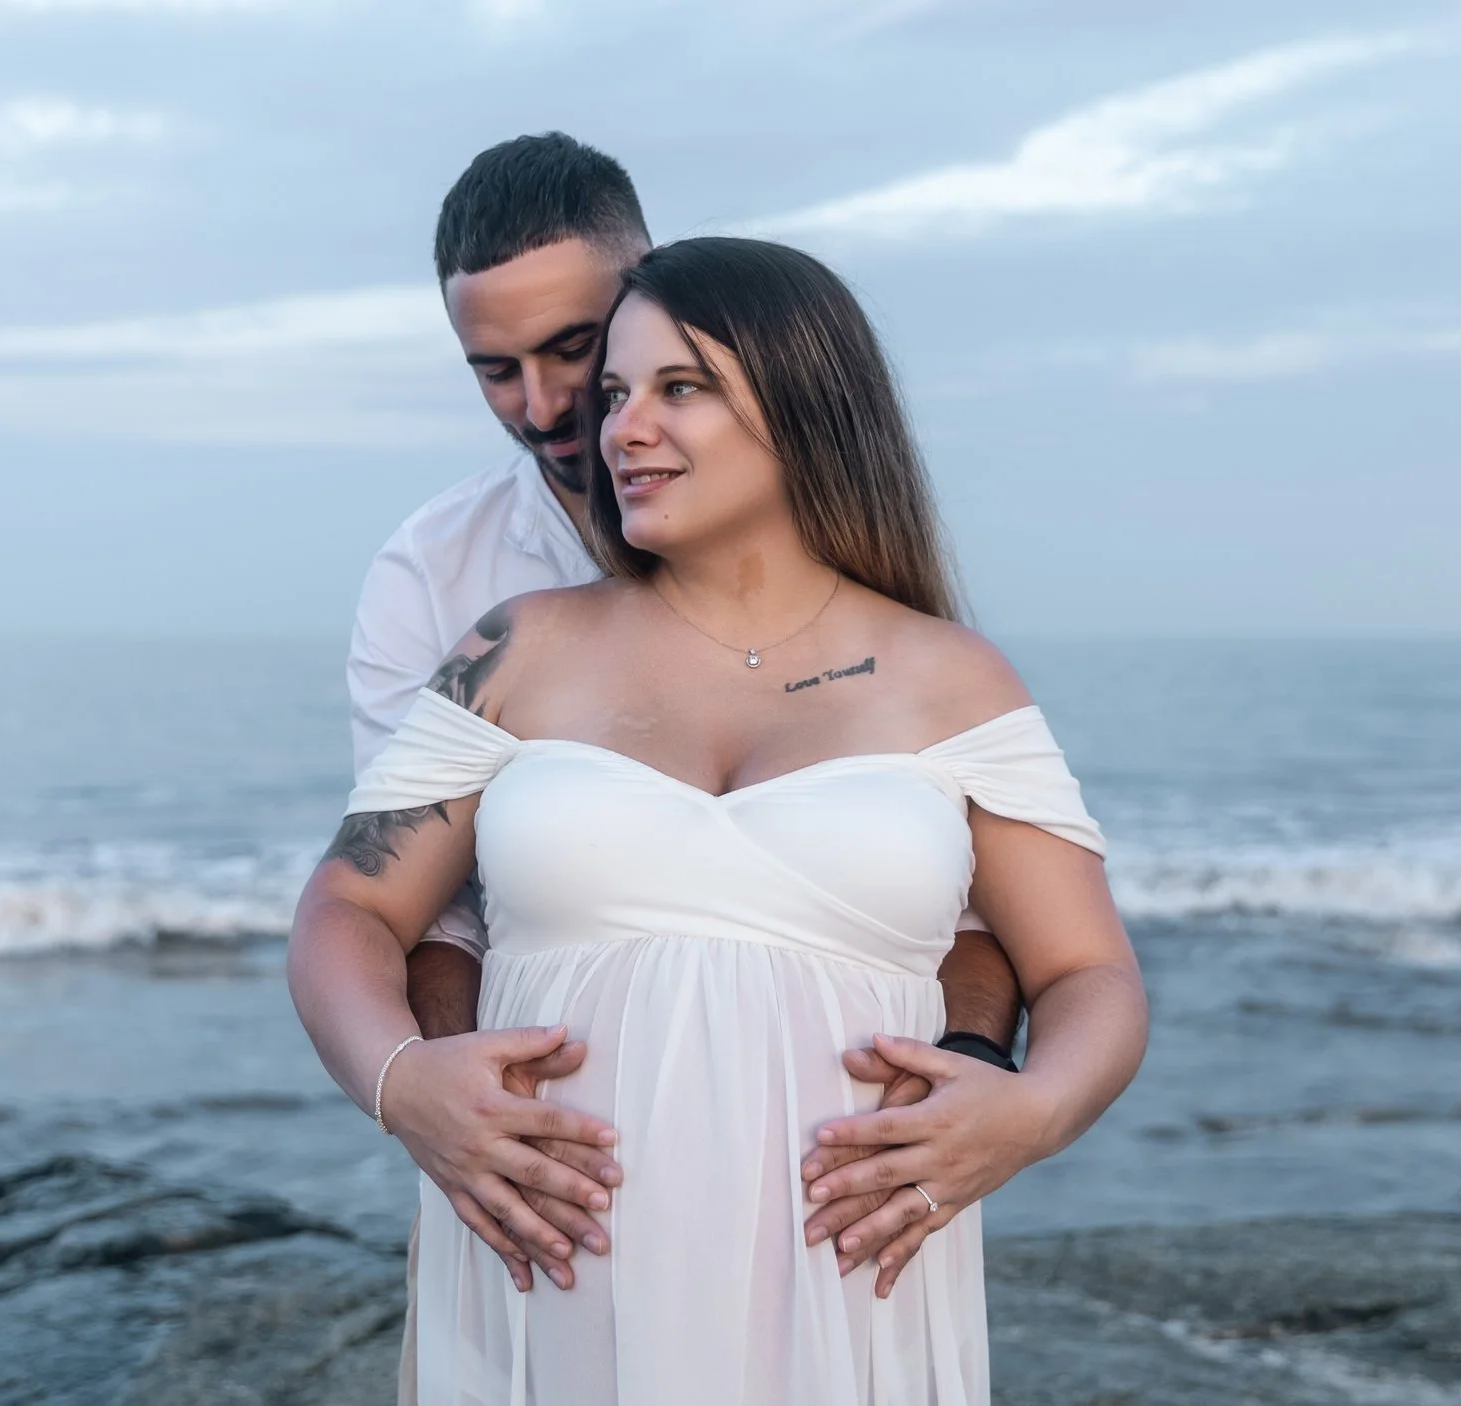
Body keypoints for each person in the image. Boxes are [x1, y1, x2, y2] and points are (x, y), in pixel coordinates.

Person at [295, 236, 1148, 1402]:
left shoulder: (953, 677)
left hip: (847, 1274)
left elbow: (1089, 971)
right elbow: (348, 905)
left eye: (678, 387)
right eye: (615, 394)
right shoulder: (516, 645)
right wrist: (404, 1082)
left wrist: (1033, 1111)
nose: (621, 428)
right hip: (549, 1259)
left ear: (804, 404)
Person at [349, 132, 1032, 1299]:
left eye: (575, 350)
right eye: (494, 369)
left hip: (837, 1205)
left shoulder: (872, 605)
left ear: (655, 296)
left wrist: (970, 1082)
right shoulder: (433, 580)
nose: (545, 406)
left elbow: (972, 898)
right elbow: (416, 911)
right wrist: (455, 1106)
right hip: (559, 1199)